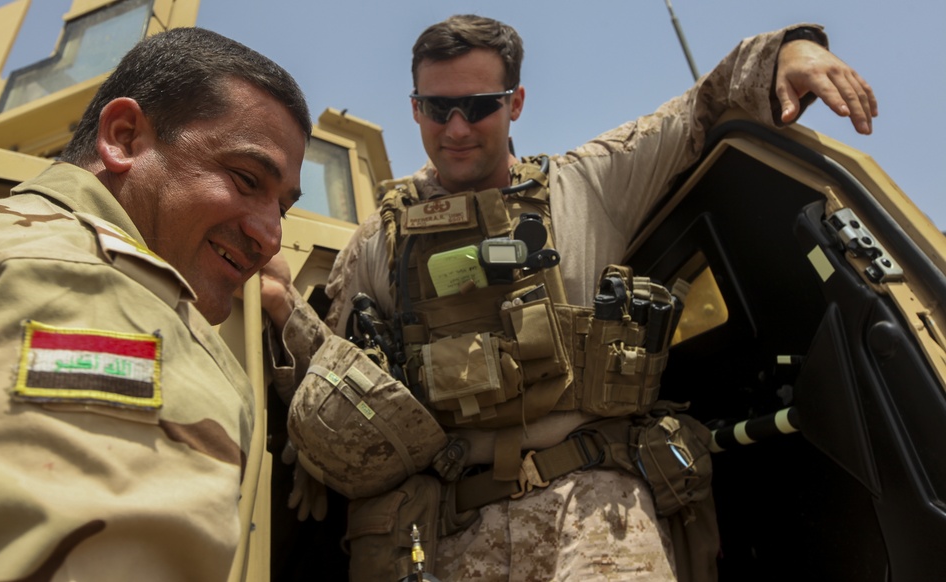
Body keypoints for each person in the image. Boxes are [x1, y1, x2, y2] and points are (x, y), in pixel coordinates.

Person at [310, 14, 877, 582]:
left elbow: (699, 109)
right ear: (415, 108)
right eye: (438, 108)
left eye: (480, 106)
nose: (456, 127)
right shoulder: (379, 242)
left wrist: (792, 49)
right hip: (452, 534)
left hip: (594, 514)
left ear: (516, 103)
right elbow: (336, 379)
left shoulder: (585, 187)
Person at [0, 27, 310, 581]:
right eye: (245, 179)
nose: (271, 236)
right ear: (123, 137)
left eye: (282, 206)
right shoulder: (103, 293)